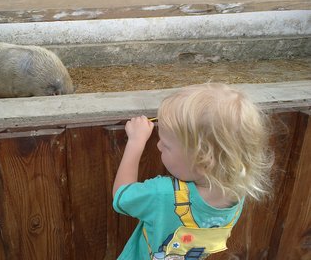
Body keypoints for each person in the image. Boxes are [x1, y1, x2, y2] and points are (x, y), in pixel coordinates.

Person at [112, 83, 274, 259]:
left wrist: (136, 142)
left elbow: (122, 196)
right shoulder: (238, 191)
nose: (158, 146)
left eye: (166, 145)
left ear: (202, 162)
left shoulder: (165, 194)